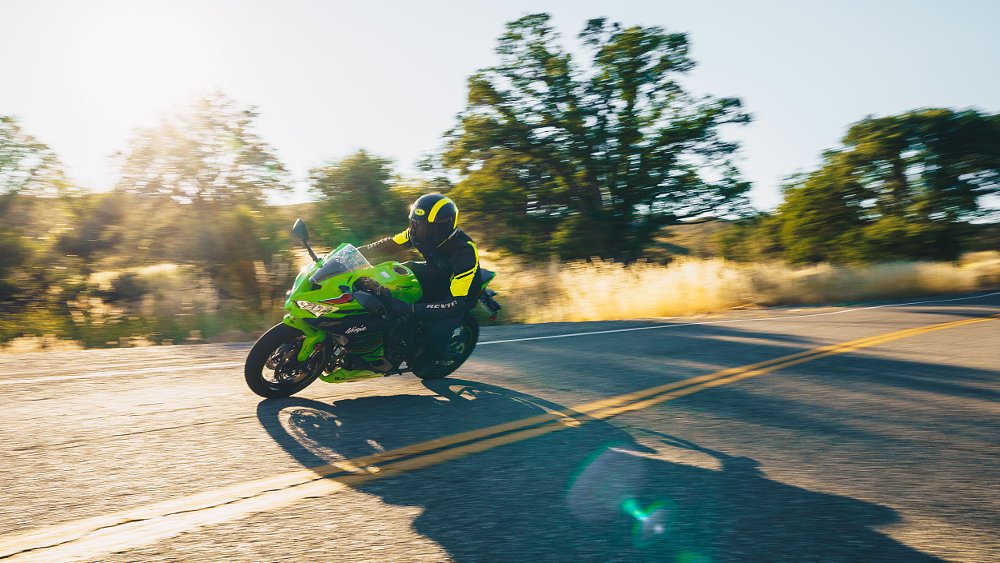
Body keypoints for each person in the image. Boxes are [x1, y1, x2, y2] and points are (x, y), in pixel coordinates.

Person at [360, 193, 483, 370]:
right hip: (435, 273)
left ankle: (436, 358)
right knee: (395, 272)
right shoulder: (416, 234)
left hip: (458, 295)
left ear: (443, 227)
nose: (417, 230)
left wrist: (409, 309)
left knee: (436, 332)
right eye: (415, 224)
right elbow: (389, 244)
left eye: (424, 227)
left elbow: (456, 302)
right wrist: (351, 254)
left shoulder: (464, 251)